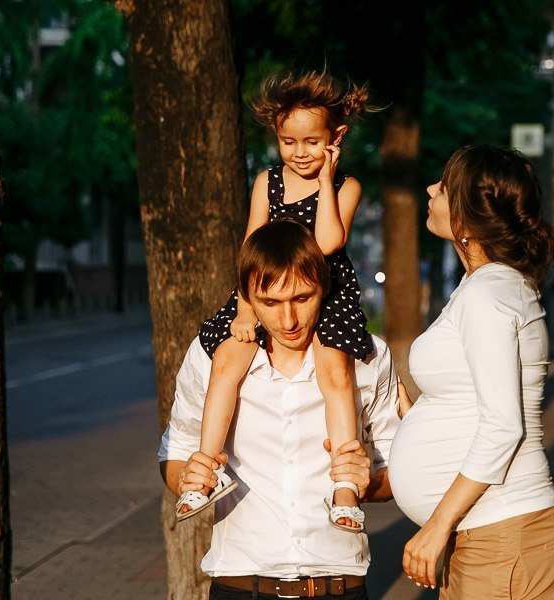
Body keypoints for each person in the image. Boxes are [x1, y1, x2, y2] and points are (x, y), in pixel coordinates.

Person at [159, 220, 401, 600]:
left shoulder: (368, 358)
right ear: (247, 298)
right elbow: (173, 456)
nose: (288, 321)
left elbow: (399, 473)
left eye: (302, 298)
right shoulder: (211, 359)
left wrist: (369, 482)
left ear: (323, 288)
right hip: (240, 584)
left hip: (339, 586)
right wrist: (186, 478)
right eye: (270, 303)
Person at [180, 70, 376, 532]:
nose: (300, 152)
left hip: (323, 293)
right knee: (227, 362)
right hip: (263, 289)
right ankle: (206, 469)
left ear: (335, 138)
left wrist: (326, 180)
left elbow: (327, 241)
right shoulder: (267, 182)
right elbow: (252, 242)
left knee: (335, 374)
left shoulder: (347, 186)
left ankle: (344, 489)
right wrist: (247, 306)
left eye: (312, 142)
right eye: (289, 142)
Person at [388, 145, 554, 599]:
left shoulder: (488, 294)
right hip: (488, 535)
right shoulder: (485, 285)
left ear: (467, 221)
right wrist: (424, 417)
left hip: (500, 535)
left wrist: (436, 526)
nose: (431, 189)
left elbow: (504, 426)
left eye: (445, 187)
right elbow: (478, 399)